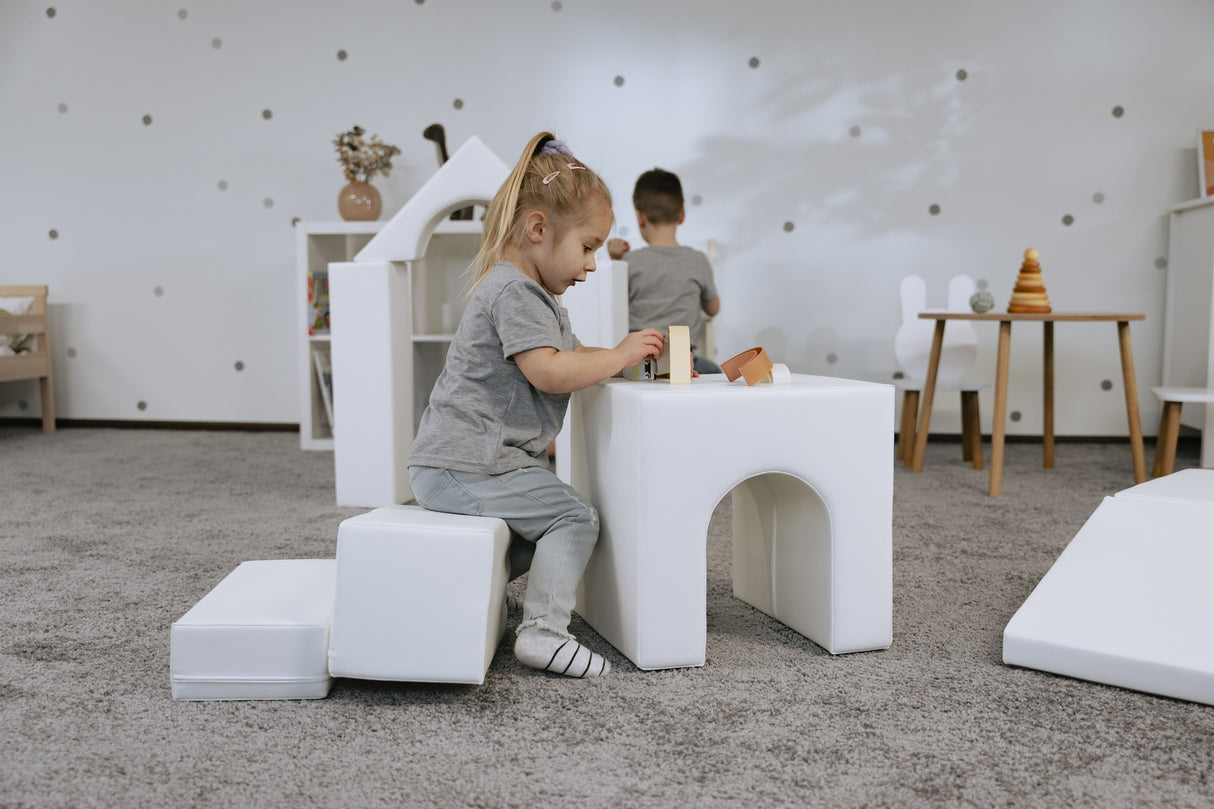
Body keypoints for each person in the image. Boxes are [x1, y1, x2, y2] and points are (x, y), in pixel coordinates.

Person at [407, 132, 665, 679]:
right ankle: (544, 632)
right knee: (573, 517)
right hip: (468, 463)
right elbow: (550, 370)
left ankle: (480, 598)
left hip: (467, 463)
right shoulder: (516, 293)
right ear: (538, 230)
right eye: (588, 246)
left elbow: (568, 354)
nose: (593, 264)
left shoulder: (529, 294)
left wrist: (623, 359)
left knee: (540, 534)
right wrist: (618, 353)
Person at [606, 168, 722, 375]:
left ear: (640, 217)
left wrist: (617, 262)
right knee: (714, 373)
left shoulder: (629, 262)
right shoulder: (698, 261)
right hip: (685, 362)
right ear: (682, 215)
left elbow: (613, 306)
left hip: (640, 363)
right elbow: (713, 309)